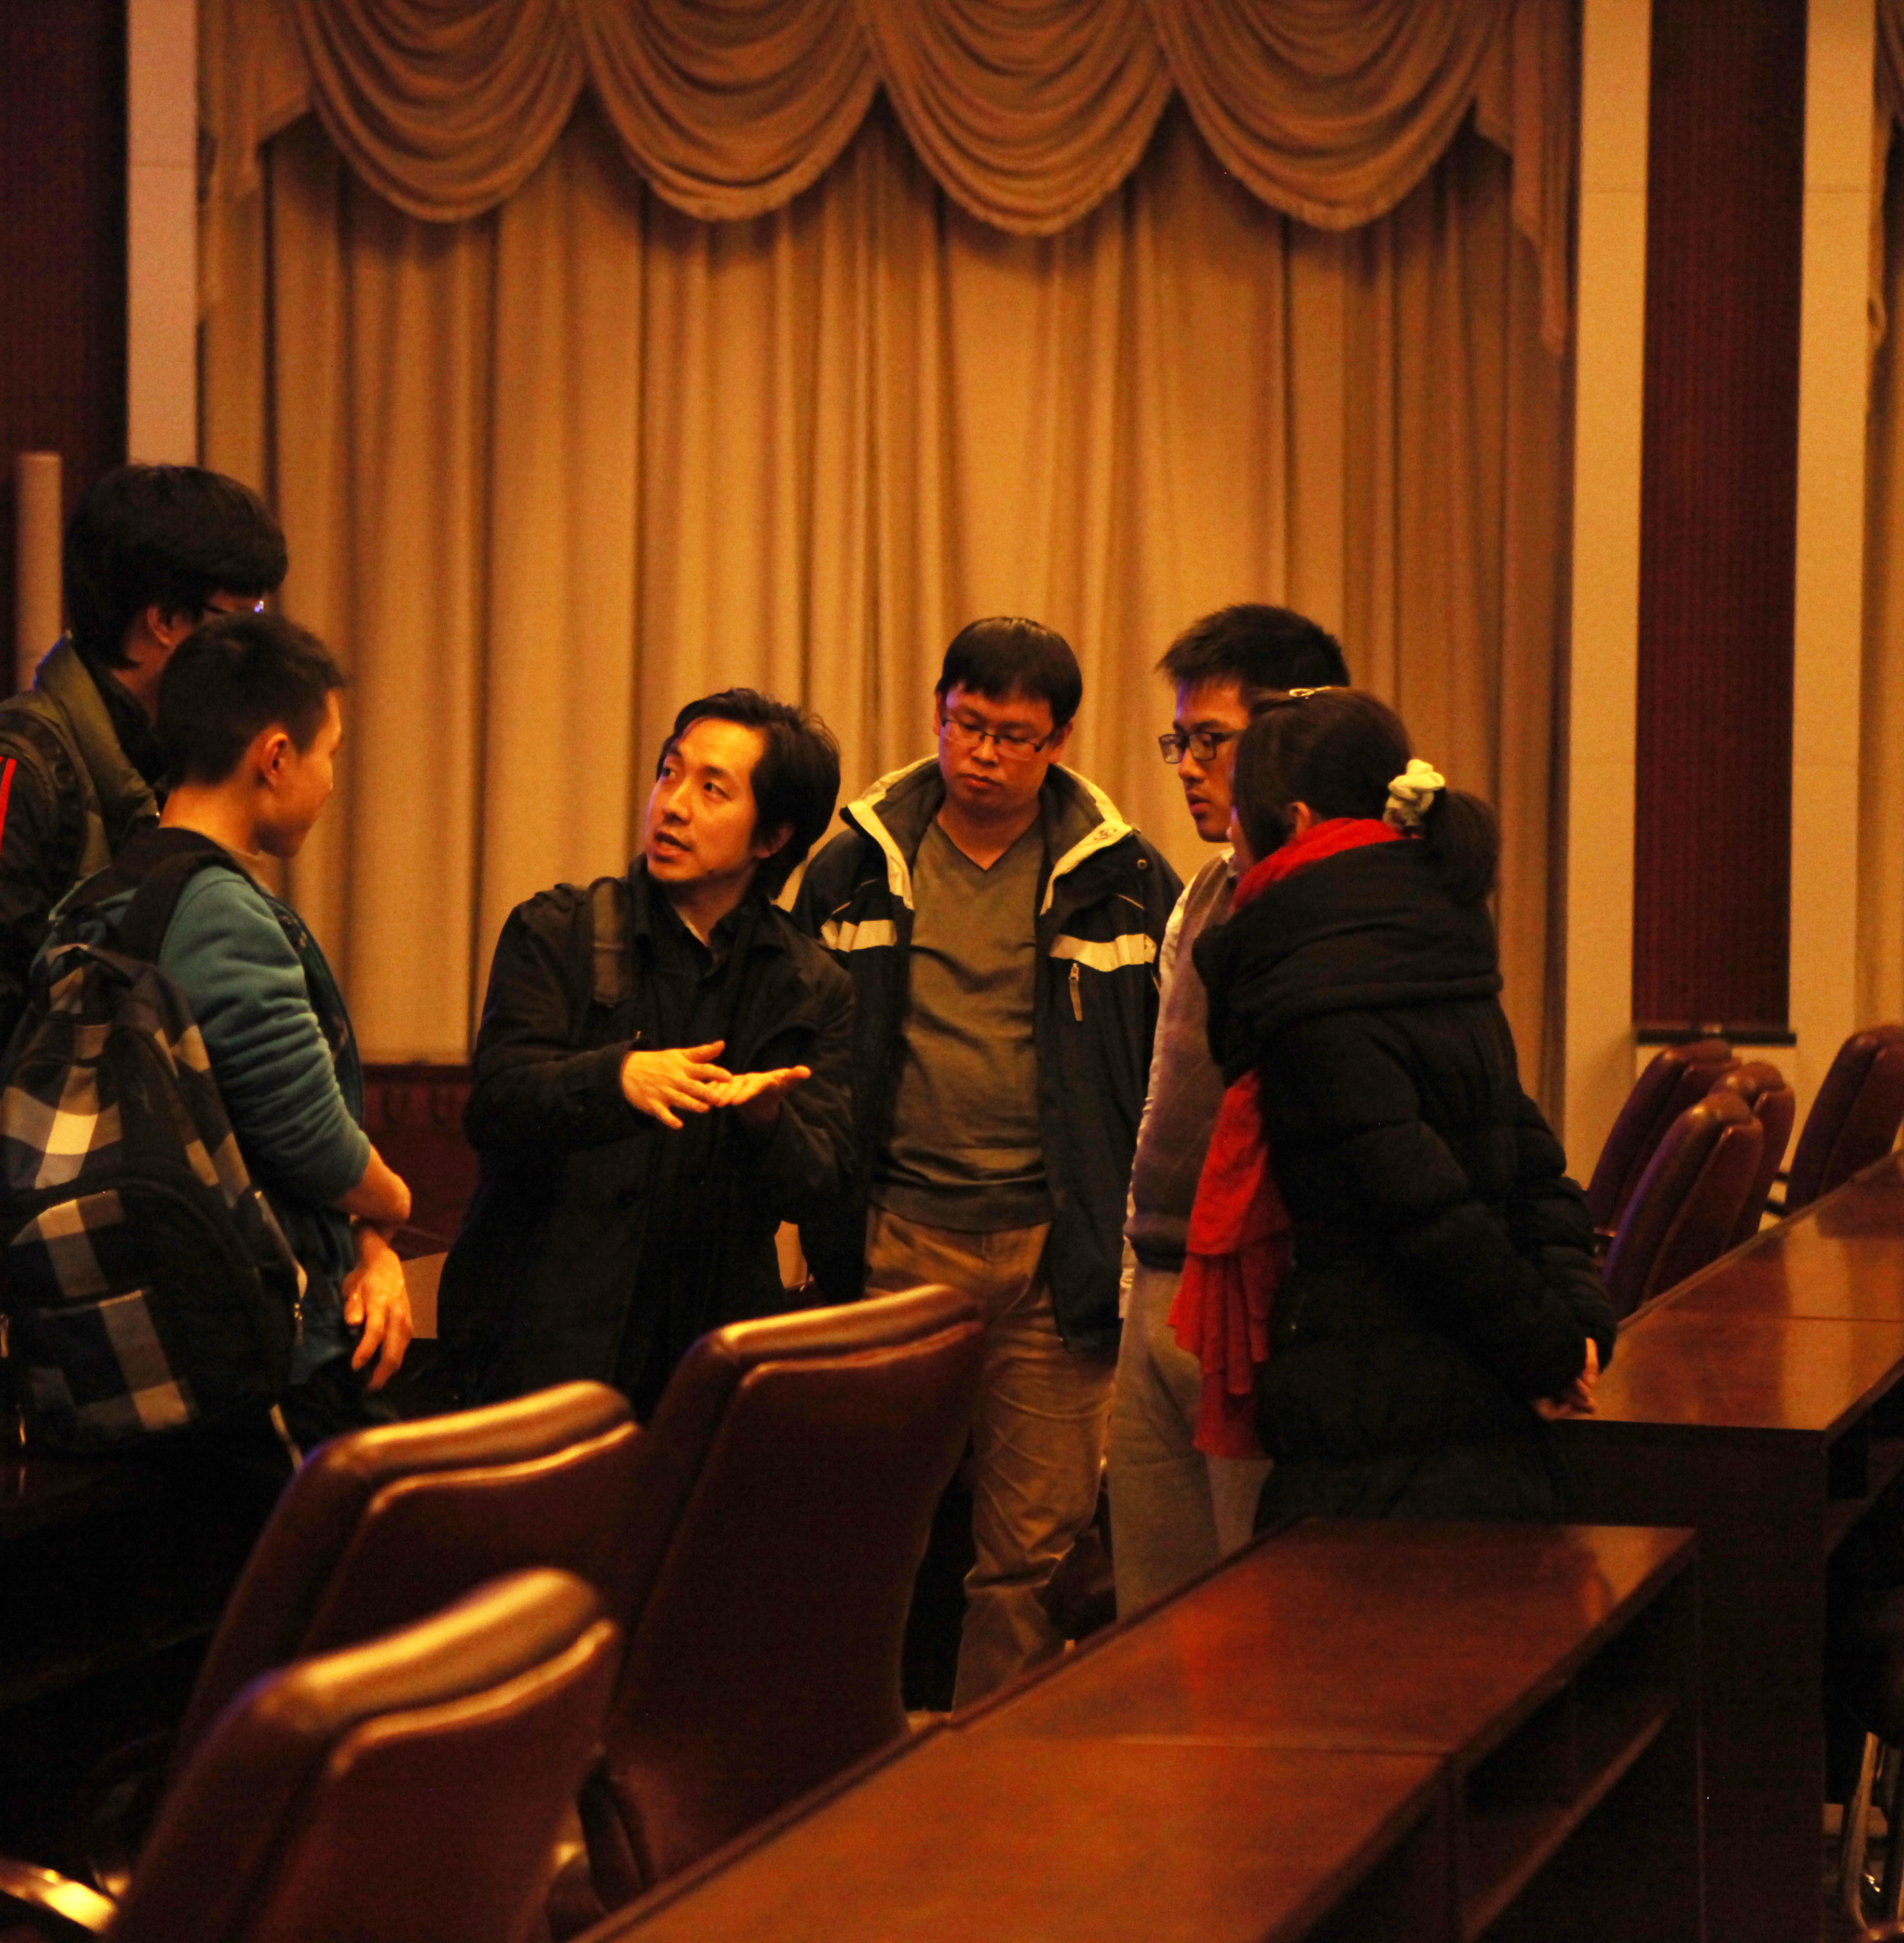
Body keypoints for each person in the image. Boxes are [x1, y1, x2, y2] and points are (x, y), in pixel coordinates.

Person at [795, 617, 1175, 1704]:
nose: (985, 754)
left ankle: (1000, 1770)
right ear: (938, 711)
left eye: (1015, 737)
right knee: (871, 1534)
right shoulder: (856, 865)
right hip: (900, 1240)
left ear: (1059, 741)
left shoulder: (1124, 879)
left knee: (1035, 1559)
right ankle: (853, 1760)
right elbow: (809, 1048)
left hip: (1057, 1257)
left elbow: (1157, 1067)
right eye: (968, 725)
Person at [0, 463, 288, 1405]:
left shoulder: (154, 760)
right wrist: (72, 1185)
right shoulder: (13, 772)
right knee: (27, 1465)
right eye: (247, 615)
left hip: (106, 1213)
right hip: (31, 1229)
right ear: (165, 623)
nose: (261, 649)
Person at [1189, 687, 1611, 1526]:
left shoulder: (1313, 988)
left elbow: (1425, 1212)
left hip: (1380, 1436)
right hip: (1478, 1411)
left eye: (1239, 817)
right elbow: (1532, 1164)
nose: (1232, 839)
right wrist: (1577, 1326)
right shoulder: (1435, 938)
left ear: (1295, 822)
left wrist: (1553, 1351)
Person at [40, 611, 415, 1448]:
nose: (330, 782)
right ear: (275, 758)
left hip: (121, 1319)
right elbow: (311, 1142)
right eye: (329, 755)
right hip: (248, 1345)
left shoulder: (91, 902)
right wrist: (394, 1205)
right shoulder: (221, 916)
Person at [437, 690, 858, 1417]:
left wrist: (767, 1122)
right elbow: (495, 1107)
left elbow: (824, 1185)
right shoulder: (559, 931)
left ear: (772, 838)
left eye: (712, 789)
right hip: (543, 1353)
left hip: (710, 1369)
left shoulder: (812, 986)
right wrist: (617, 1078)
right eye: (670, 772)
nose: (673, 805)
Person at [1110, 605, 1351, 1614]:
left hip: (1254, 1301)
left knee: (1254, 1623)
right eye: (1180, 741)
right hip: (1159, 1287)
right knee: (1149, 1626)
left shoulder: (1337, 904)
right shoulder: (1202, 894)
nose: (1189, 766)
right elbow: (1162, 1109)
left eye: (1211, 740)